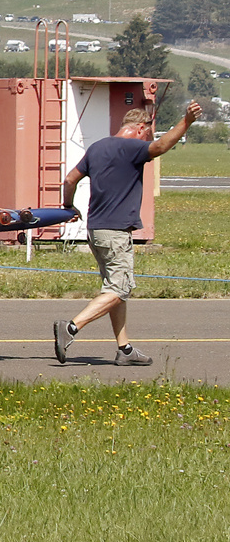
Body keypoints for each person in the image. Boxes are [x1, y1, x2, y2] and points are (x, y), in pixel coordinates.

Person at [53, 100, 202, 366]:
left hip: (95, 231)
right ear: (140, 128)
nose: (148, 141)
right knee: (120, 289)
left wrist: (67, 206)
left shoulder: (97, 147)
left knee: (114, 291)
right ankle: (71, 327)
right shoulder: (132, 147)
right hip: (115, 232)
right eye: (148, 134)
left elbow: (69, 180)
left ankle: (125, 349)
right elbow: (161, 146)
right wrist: (187, 121)